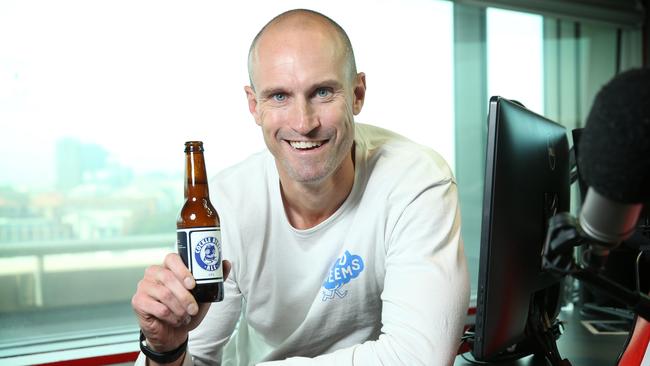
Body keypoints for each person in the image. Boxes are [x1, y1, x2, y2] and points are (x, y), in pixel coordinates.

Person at [132, 8, 470, 366]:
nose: (303, 123)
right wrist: (166, 349)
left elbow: (419, 358)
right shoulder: (228, 203)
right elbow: (192, 357)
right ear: (254, 105)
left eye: (322, 92)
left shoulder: (416, 180)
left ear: (357, 94)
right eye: (279, 96)